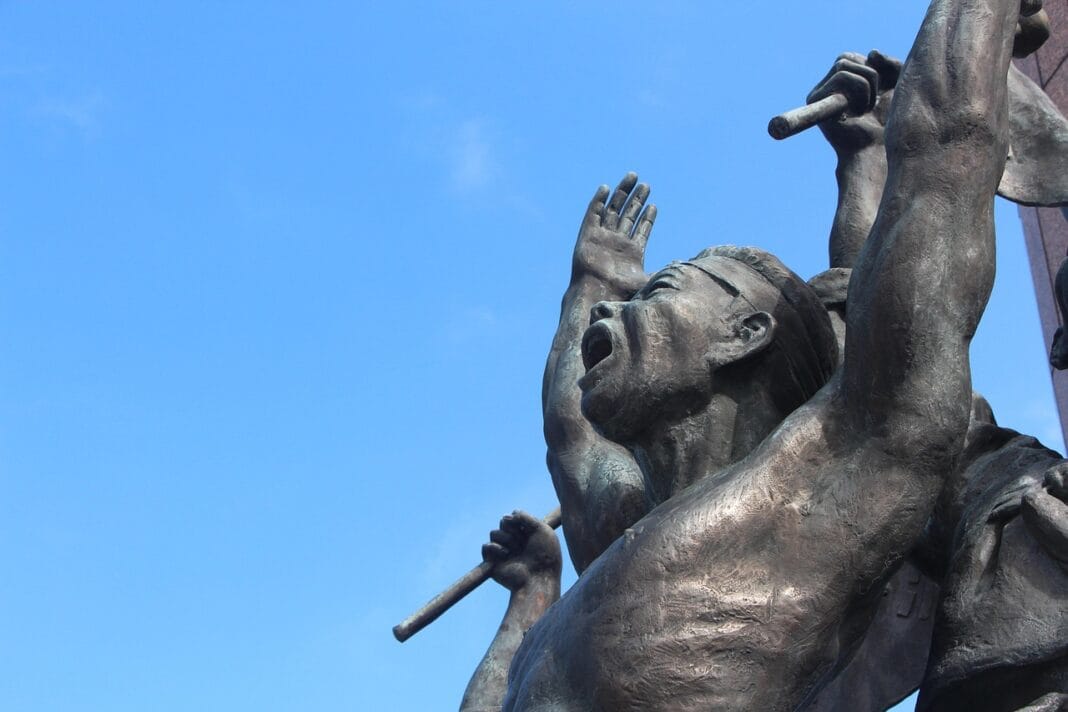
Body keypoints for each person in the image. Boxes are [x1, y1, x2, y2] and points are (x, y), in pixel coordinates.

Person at [460, 0, 1039, 708]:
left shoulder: (815, 494)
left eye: (660, 290)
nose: (614, 312)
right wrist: (594, 279)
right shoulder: (617, 536)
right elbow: (568, 433)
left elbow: (939, 173)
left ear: (745, 333)